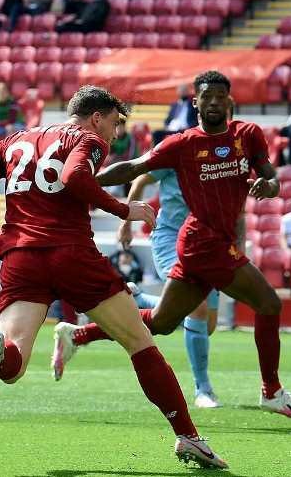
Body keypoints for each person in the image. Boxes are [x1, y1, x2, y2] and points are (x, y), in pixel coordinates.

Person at [0, 85, 226, 469]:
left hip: (20, 256)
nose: (114, 133)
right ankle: (188, 437)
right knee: (139, 341)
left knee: (13, 366)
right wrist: (123, 209)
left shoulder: (17, 139)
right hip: (71, 253)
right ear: (96, 117)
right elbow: (75, 175)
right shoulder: (88, 138)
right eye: (113, 123)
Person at [52, 71, 291, 419]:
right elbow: (134, 167)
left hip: (208, 244)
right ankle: (271, 391)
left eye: (220, 96)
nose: (213, 102)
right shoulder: (182, 144)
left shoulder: (248, 135)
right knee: (268, 304)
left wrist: (268, 186)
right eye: (206, 97)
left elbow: (270, 175)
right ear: (195, 102)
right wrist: (79, 182)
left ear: (229, 101)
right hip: (202, 243)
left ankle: (79, 335)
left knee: (162, 322)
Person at [54, 93, 238, 409]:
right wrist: (125, 215)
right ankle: (203, 390)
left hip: (212, 245)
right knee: (193, 311)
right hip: (172, 239)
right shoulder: (181, 149)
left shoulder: (230, 158)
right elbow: (138, 177)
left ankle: (96, 325)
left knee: (203, 324)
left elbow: (238, 210)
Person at [0, 82, 25, 147]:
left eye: (3, 91)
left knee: (9, 128)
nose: (2, 93)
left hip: (17, 124)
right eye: (0, 91)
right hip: (2, 125)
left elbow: (12, 119)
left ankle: (8, 148)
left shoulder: (12, 102)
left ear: (7, 91)